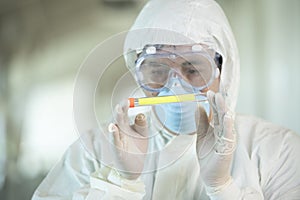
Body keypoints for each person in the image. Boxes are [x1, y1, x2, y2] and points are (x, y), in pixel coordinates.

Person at [32, 0, 300, 199]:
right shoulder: (94, 150)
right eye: (157, 71)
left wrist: (222, 187)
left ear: (225, 71)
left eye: (193, 69)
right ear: (138, 75)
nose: (175, 86)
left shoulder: (276, 149)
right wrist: (121, 183)